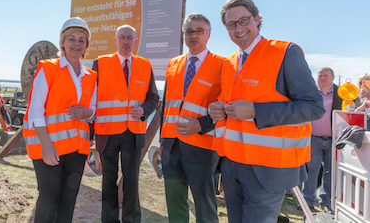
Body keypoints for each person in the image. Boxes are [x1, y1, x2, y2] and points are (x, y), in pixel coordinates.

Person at [208, 0, 325, 223]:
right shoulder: (229, 62)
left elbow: (313, 107)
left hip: (268, 170)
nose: (238, 29)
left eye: (243, 20)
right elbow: (230, 102)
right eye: (231, 25)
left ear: (257, 19)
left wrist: (255, 111)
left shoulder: (285, 52)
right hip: (232, 166)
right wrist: (218, 108)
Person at [23, 17, 97, 223]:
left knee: (68, 201)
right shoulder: (48, 68)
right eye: (71, 38)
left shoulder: (90, 76)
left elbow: (93, 109)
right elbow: (36, 110)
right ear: (62, 42)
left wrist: (87, 113)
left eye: (82, 40)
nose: (76, 43)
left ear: (86, 46)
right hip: (49, 148)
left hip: (77, 149)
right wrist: (46, 145)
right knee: (48, 199)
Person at [161, 13, 224, 223]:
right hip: (171, 146)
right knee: (175, 203)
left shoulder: (223, 65)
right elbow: (167, 105)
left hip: (203, 147)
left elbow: (226, 108)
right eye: (189, 31)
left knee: (204, 206)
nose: (193, 35)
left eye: (199, 31)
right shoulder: (173, 64)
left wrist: (202, 124)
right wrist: (163, 141)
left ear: (208, 34)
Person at [92, 24, 159, 223]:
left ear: (135, 41)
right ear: (116, 40)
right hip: (107, 134)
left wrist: (144, 111)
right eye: (122, 37)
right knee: (108, 182)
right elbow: (91, 99)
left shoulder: (145, 65)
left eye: (130, 38)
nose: (126, 42)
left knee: (131, 183)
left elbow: (153, 97)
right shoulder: (100, 63)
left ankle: (132, 220)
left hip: (133, 134)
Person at [301, 67, 342, 213]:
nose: (322, 78)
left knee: (330, 171)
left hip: (334, 140)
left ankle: (326, 202)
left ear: (333, 77)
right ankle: (307, 201)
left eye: (325, 75)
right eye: (320, 76)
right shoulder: (311, 93)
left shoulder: (341, 94)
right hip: (313, 138)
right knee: (311, 170)